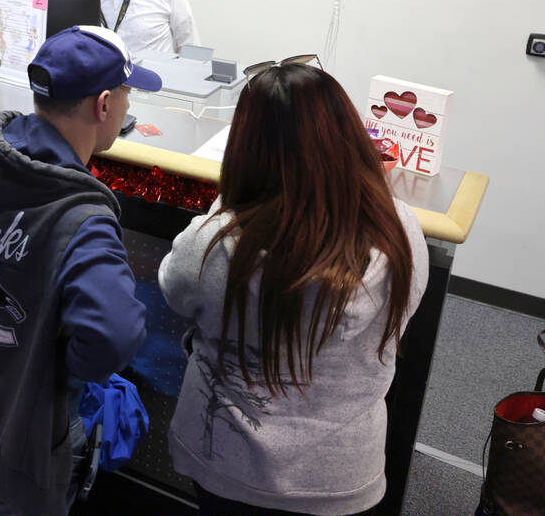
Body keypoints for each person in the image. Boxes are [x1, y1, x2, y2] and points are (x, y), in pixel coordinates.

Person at [158, 60, 429, 516]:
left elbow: (173, 289)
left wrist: (227, 203)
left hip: (228, 466)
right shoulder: (400, 229)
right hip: (343, 477)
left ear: (245, 148)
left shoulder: (214, 243)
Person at [0, 25, 154, 516]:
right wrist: (61, 370)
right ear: (103, 106)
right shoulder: (84, 219)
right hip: (24, 437)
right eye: (127, 94)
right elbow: (116, 335)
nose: (127, 107)